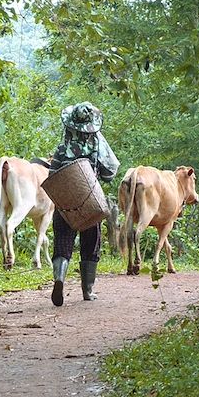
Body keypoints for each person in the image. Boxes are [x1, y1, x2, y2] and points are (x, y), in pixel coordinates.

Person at [49, 102, 119, 306]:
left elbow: (52, 175)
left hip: (65, 202)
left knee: (62, 241)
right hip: (90, 199)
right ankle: (87, 291)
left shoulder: (62, 148)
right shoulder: (96, 147)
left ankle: (59, 278)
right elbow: (108, 175)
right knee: (91, 242)